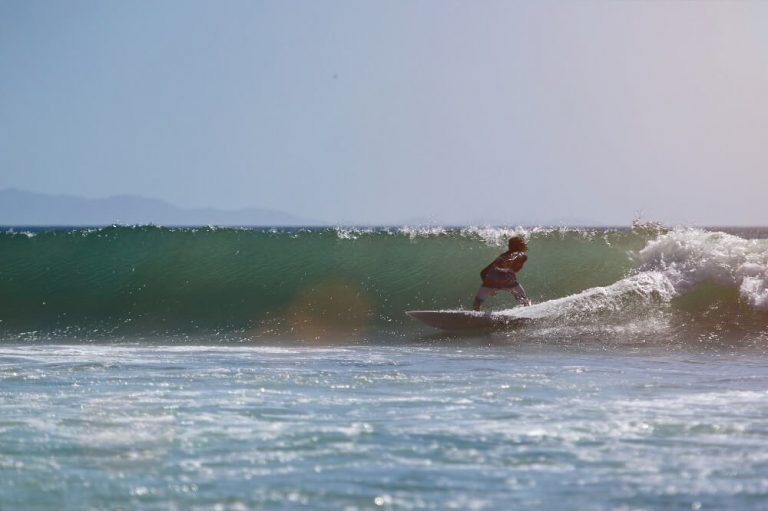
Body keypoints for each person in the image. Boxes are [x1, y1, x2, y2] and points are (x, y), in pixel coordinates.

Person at [473, 236, 530, 310]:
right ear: (520, 245)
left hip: (491, 278)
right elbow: (516, 256)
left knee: (477, 303)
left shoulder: (502, 256)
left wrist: (489, 287)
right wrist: (511, 260)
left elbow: (483, 273)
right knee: (524, 300)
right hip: (507, 279)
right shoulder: (521, 255)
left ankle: (475, 315)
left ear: (510, 246)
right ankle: (527, 310)